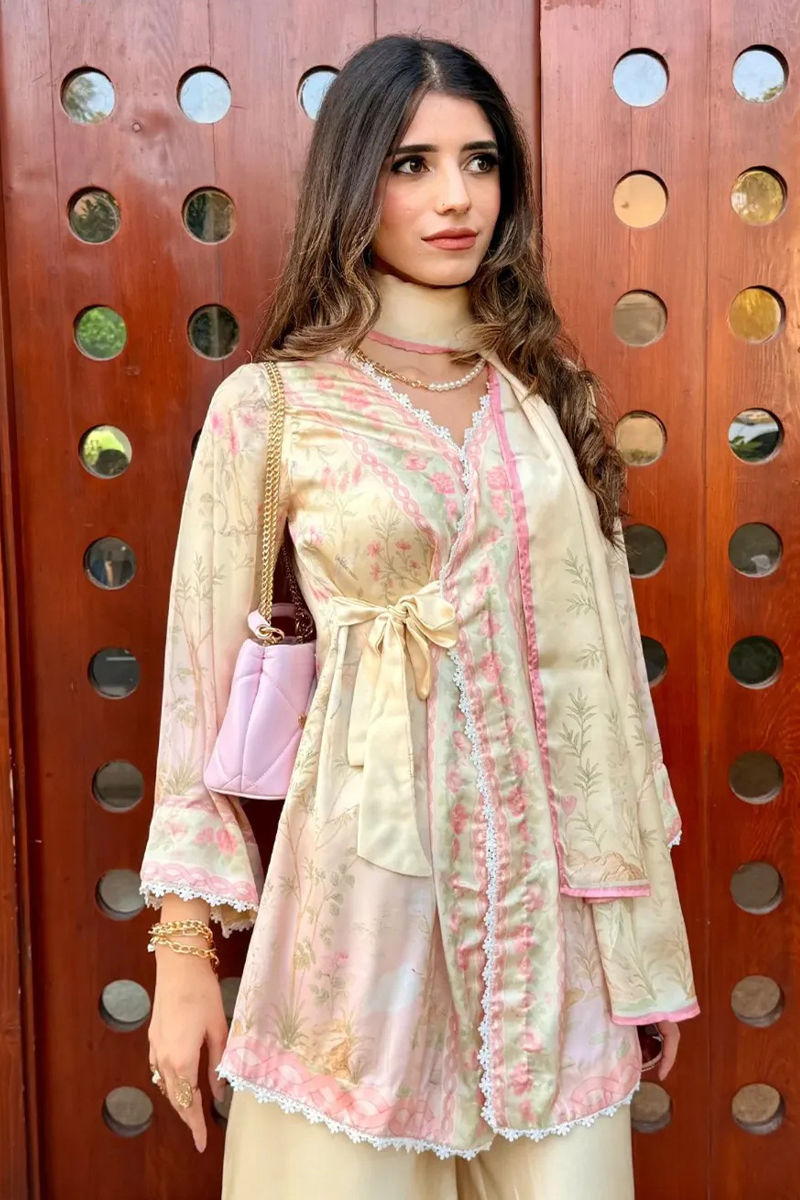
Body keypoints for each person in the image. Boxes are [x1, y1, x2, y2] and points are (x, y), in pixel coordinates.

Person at [139, 33, 699, 1200]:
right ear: (354, 182)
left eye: (479, 161)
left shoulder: (547, 395)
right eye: (411, 164)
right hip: (358, 925)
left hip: (548, 938)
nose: (455, 198)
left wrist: (638, 949)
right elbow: (200, 687)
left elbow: (602, 691)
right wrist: (186, 957)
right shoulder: (274, 406)